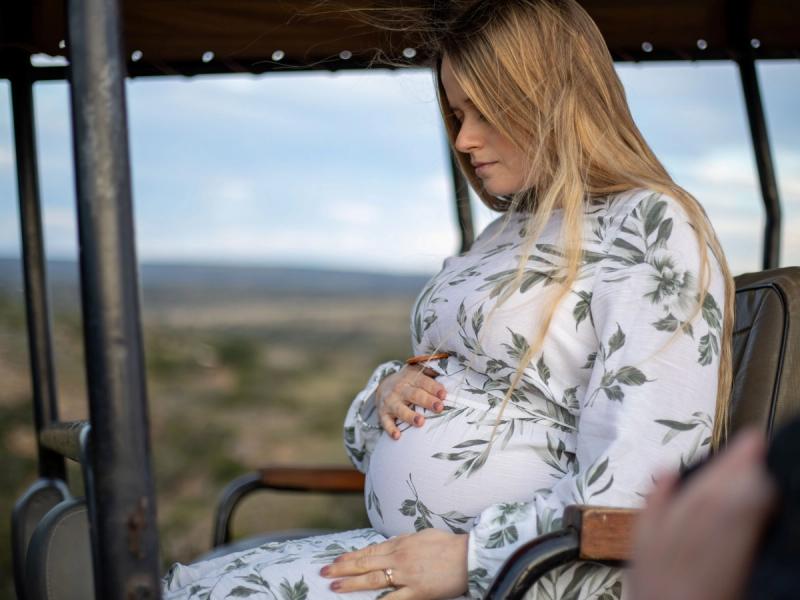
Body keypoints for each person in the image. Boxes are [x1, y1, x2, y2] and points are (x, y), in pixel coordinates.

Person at [162, 1, 734, 598]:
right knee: (187, 587)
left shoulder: (651, 226)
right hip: (438, 557)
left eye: (486, 112)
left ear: (554, 100)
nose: (464, 139)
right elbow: (422, 403)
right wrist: (387, 394)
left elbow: (641, 477)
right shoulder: (512, 229)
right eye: (458, 113)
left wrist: (472, 558)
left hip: (533, 574)